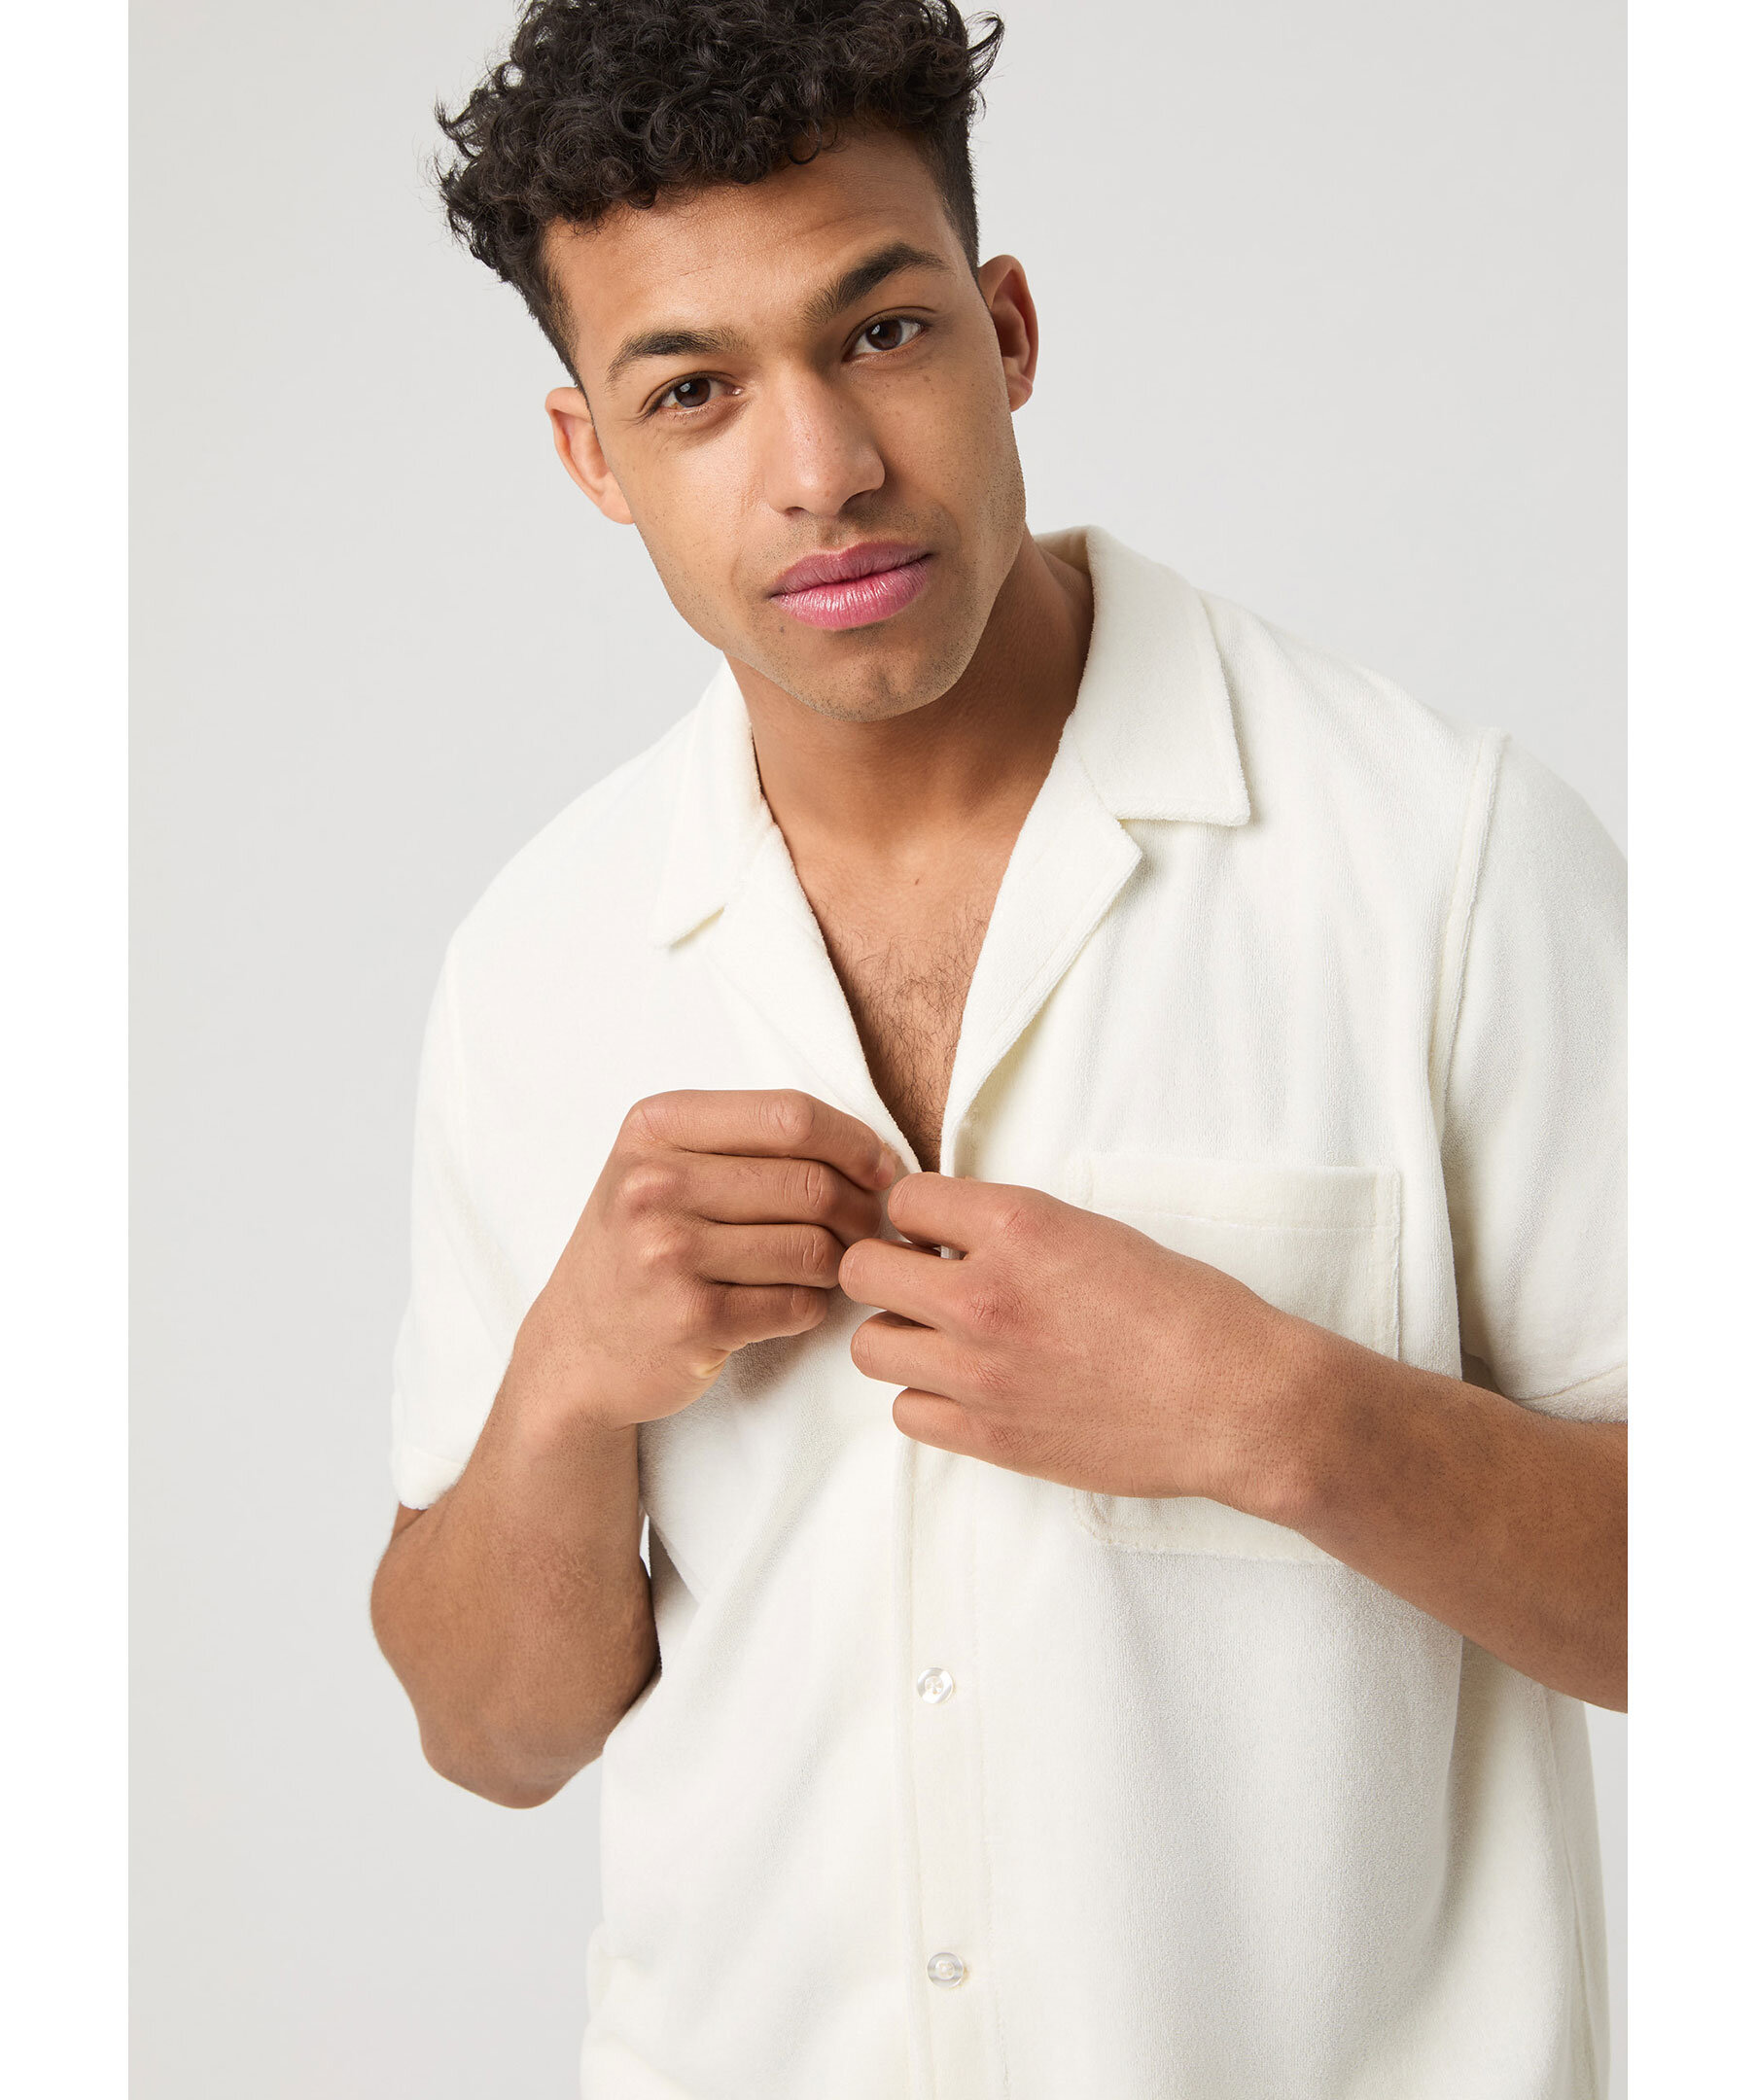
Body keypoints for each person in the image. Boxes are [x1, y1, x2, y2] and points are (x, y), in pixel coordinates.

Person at [369, 4, 1627, 2094]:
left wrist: (1277, 1414)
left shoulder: (1443, 859)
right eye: (693, 390)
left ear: (1007, 328)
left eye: (880, 333)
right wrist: (568, 1388)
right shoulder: (541, 958)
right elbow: (488, 1735)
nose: (825, 469)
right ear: (595, 456)